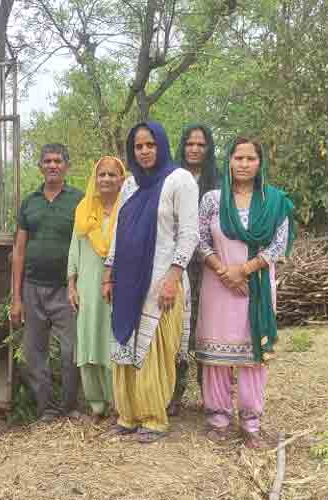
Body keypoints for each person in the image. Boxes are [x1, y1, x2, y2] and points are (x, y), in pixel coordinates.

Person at [101, 121, 198, 443]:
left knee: (152, 350)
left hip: (160, 281)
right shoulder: (130, 184)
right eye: (138, 146)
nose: (144, 151)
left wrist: (173, 277)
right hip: (128, 281)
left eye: (150, 145)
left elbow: (189, 234)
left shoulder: (180, 180)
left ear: (162, 145)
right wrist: (109, 272)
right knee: (125, 346)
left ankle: (154, 419)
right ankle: (127, 416)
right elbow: (120, 230)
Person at [195, 137, 293, 449]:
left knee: (253, 358)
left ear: (260, 163)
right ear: (229, 161)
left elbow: (278, 245)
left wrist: (244, 270)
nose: (244, 164)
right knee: (217, 358)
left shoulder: (274, 201)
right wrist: (225, 272)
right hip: (217, 285)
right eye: (238, 158)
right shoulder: (213, 199)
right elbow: (199, 240)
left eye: (251, 158)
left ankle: (251, 423)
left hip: (256, 287)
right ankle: (218, 420)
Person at [11, 143, 84, 422]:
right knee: (33, 354)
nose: (53, 165)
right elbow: (19, 251)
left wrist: (81, 285)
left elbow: (87, 244)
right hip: (32, 288)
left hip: (67, 289)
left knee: (70, 352)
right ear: (40, 166)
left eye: (58, 161)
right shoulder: (29, 202)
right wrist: (16, 298)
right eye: (48, 161)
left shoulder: (79, 200)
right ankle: (47, 409)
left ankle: (70, 407)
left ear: (66, 166)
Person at [67, 156, 126, 423]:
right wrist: (71, 284)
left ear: (121, 179)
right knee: (89, 341)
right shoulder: (84, 209)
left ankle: (118, 405)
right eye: (101, 174)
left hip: (117, 287)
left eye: (112, 175)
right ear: (95, 178)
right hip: (87, 288)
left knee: (111, 343)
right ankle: (96, 405)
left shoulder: (127, 210)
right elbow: (74, 249)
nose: (106, 179)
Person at [168, 124, 219, 416]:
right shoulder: (172, 178)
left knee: (206, 328)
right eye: (189, 143)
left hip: (209, 266)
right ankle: (173, 393)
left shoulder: (218, 183)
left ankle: (209, 394)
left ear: (208, 148)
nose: (194, 149)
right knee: (177, 327)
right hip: (177, 265)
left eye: (200, 144)